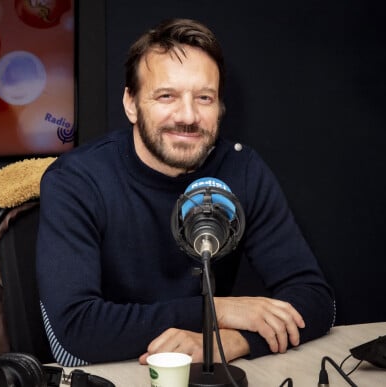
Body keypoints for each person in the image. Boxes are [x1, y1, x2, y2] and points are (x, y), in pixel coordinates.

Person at [36, 18, 335, 368]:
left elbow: (315, 301)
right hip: (106, 367)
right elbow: (78, 327)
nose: (189, 116)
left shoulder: (242, 170)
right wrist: (217, 310)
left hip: (200, 359)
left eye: (204, 98)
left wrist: (230, 339)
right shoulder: (77, 180)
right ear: (131, 104)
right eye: (167, 96)